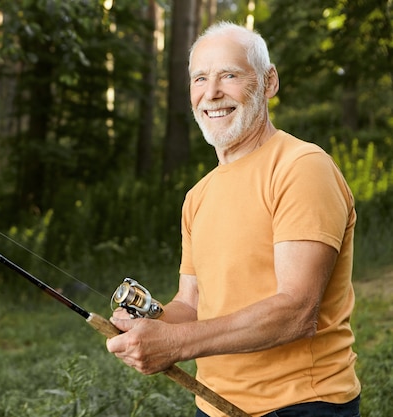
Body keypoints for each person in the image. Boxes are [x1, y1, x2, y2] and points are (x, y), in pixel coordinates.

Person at [106, 21, 361, 417]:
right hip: (213, 405)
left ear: (269, 81)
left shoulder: (301, 167)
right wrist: (149, 324)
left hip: (300, 405)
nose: (212, 93)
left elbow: (296, 312)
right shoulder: (198, 197)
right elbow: (189, 305)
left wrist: (176, 345)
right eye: (200, 78)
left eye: (229, 75)